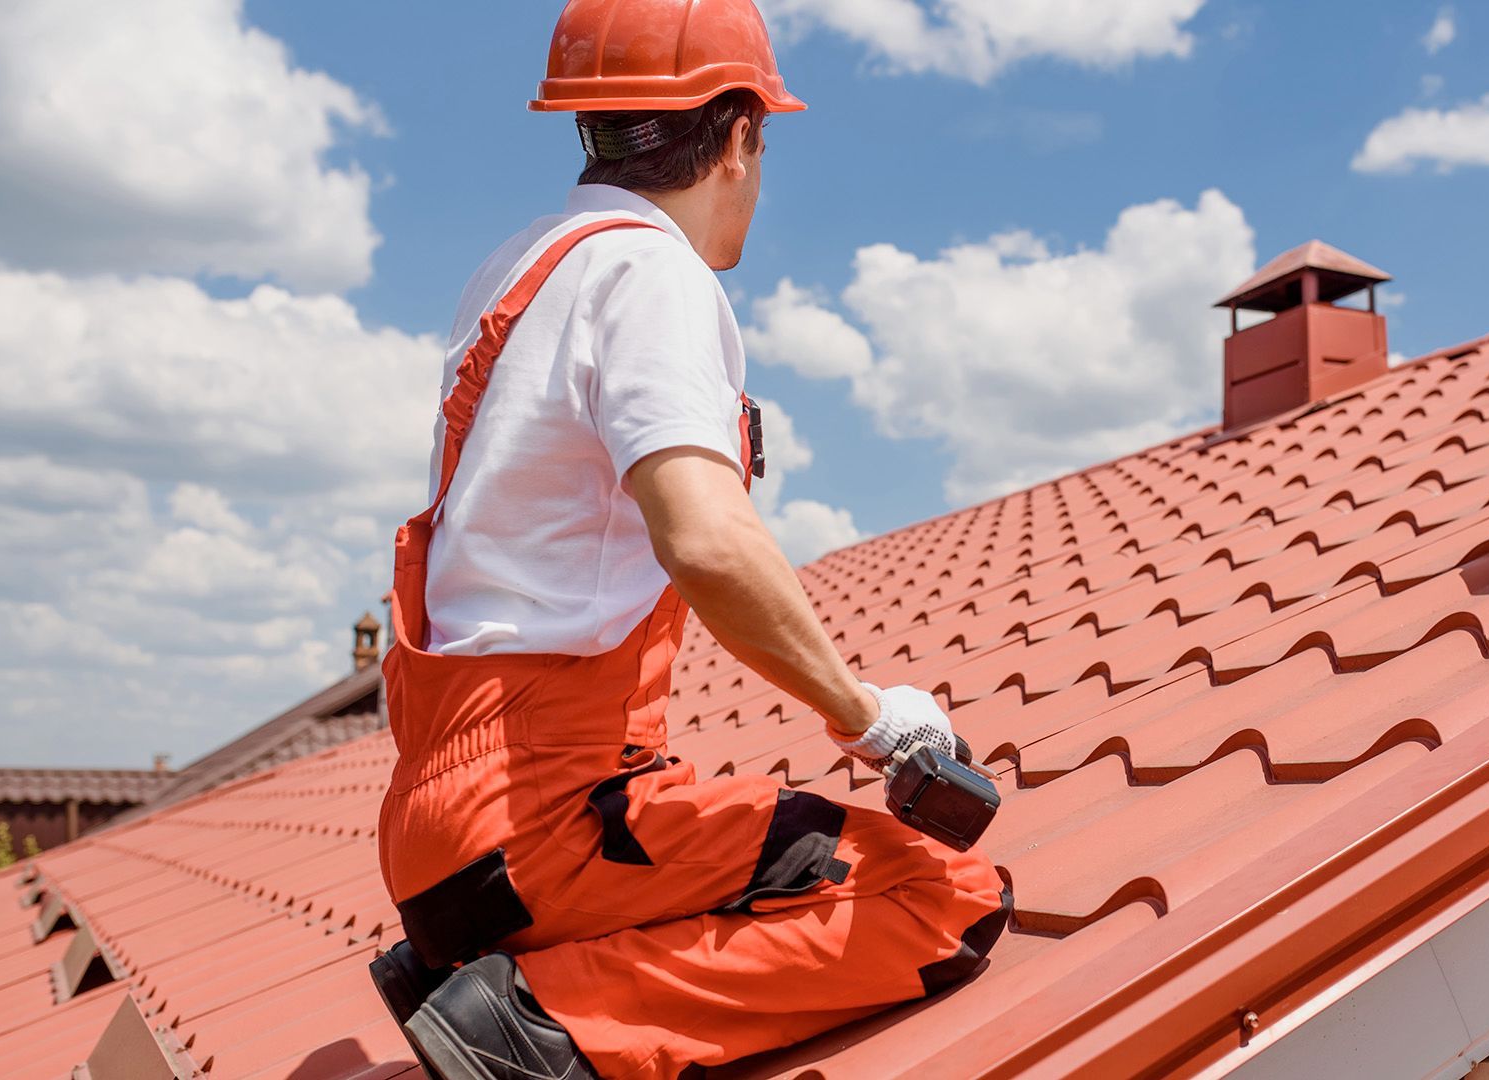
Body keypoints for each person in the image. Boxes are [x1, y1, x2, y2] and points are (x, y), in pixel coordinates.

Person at [363, 1, 1010, 1077]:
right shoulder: (649, 273)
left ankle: (482, 973)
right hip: (547, 819)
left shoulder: (519, 274)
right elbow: (705, 540)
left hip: (443, 820)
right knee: (941, 895)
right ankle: (528, 1026)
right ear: (745, 132)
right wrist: (873, 722)